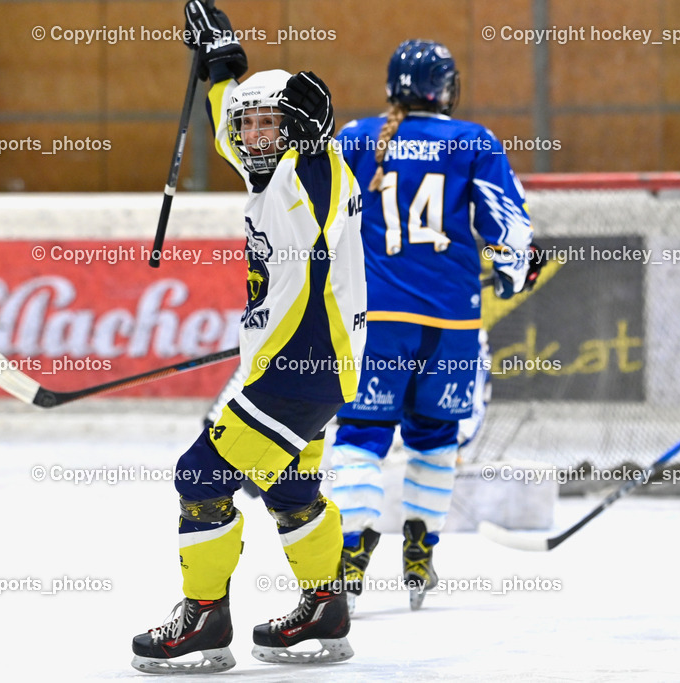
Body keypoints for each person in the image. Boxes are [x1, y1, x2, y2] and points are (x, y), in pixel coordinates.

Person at [130, 0, 367, 673]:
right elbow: (230, 118)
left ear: (300, 130)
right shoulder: (269, 161)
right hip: (311, 367)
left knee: (200, 475)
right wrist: (220, 61)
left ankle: (204, 621)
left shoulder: (311, 172)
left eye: (272, 125)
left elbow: (308, 158)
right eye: (250, 125)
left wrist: (307, 114)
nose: (254, 136)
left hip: (298, 368)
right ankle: (325, 607)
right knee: (292, 492)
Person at [329, 39, 544, 613]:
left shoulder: (353, 138)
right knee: (435, 439)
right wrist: (512, 268)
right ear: (446, 88)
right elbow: (510, 219)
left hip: (377, 322)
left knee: (359, 437)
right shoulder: (474, 140)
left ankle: (350, 550)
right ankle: (421, 550)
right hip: (451, 321)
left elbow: (311, 209)